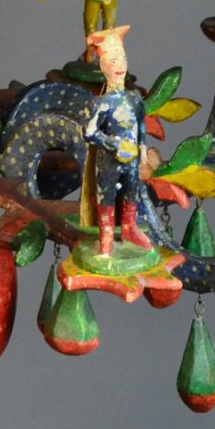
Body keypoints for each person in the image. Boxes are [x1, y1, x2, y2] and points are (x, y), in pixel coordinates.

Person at [83, 25, 153, 256]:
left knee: (132, 192)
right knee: (107, 196)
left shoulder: (134, 98)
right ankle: (106, 237)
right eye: (113, 61)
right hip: (109, 161)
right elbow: (89, 132)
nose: (119, 65)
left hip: (132, 158)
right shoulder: (101, 103)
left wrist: (142, 148)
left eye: (122, 59)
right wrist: (113, 144)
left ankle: (129, 227)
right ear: (104, 66)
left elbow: (140, 124)